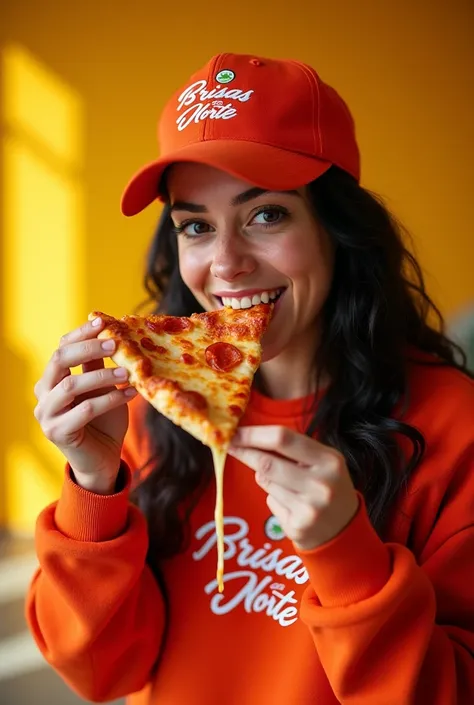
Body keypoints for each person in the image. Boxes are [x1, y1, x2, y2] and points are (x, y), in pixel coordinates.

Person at [26, 53, 474, 705]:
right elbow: (102, 673)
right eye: (196, 226)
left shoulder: (456, 430)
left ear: (337, 228)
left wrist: (345, 554)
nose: (227, 264)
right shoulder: (152, 410)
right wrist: (95, 487)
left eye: (265, 214)